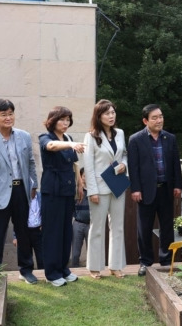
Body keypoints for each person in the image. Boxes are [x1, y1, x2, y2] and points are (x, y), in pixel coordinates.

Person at [0, 99, 38, 284]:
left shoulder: (24, 136)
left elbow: (30, 162)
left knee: (24, 232)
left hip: (22, 190)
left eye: (10, 113)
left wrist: (34, 185)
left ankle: (26, 269)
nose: (8, 117)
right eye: (3, 114)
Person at [128, 104, 182, 276]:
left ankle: (166, 261)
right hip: (145, 191)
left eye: (161, 116)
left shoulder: (170, 138)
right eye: (155, 118)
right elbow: (133, 166)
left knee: (167, 227)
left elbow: (175, 164)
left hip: (166, 189)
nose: (159, 120)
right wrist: (135, 189)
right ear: (145, 121)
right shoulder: (136, 139)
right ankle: (145, 262)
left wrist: (177, 185)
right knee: (144, 229)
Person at [39, 106, 84, 286]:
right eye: (62, 119)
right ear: (53, 120)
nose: (65, 123)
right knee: (52, 231)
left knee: (66, 231)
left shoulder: (69, 137)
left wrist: (80, 184)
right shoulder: (46, 137)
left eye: (68, 120)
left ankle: (64, 269)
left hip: (68, 188)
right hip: (52, 189)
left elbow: (74, 164)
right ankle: (52, 272)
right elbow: (51, 146)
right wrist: (71, 145)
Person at [83, 99, 127, 279]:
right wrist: (92, 191)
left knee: (118, 227)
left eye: (113, 112)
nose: (111, 116)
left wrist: (124, 164)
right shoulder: (91, 136)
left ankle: (116, 266)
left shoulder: (120, 133)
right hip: (99, 188)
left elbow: (124, 154)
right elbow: (89, 166)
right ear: (98, 116)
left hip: (117, 184)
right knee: (97, 227)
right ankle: (94, 267)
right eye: (107, 113)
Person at [12, 190, 43, 269]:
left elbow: (46, 211)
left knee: (42, 258)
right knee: (26, 259)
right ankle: (28, 274)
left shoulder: (41, 197)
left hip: (38, 231)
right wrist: (15, 236)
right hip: (25, 231)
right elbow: (17, 217)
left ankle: (44, 274)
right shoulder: (22, 197)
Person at [71, 168, 90, 268]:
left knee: (91, 251)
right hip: (78, 224)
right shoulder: (77, 192)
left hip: (90, 224)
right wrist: (76, 215)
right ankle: (74, 269)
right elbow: (71, 207)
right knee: (75, 252)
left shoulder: (93, 191)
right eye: (84, 176)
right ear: (81, 177)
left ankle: (90, 269)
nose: (86, 178)